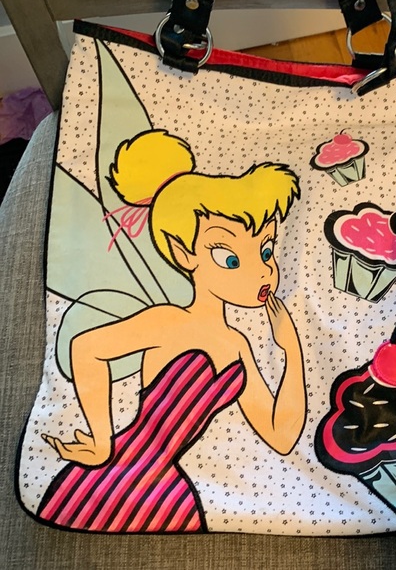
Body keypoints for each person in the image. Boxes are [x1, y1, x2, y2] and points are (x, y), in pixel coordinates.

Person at [38, 130, 306, 533]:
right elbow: (86, 347)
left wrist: (291, 351)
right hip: (114, 476)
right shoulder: (167, 320)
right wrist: (101, 440)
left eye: (266, 251)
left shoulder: (238, 346)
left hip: (170, 489)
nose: (263, 271)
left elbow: (280, 435)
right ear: (184, 254)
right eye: (230, 259)